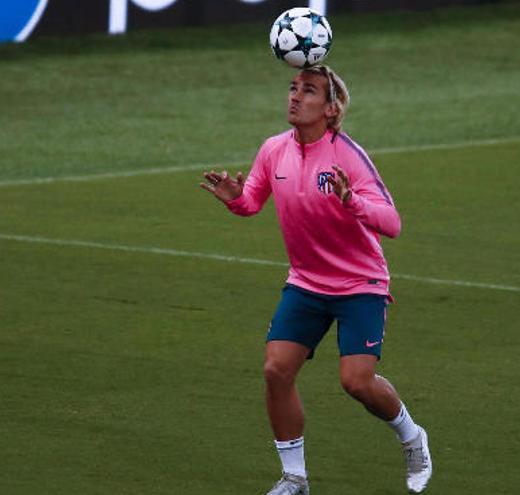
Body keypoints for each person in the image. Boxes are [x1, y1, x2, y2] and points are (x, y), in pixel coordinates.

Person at [200, 65, 432, 494]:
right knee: (276, 370)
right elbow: (253, 200)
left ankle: (412, 436)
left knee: (356, 382)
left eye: (308, 91)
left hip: (360, 283)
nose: (294, 96)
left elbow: (393, 222)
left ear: (330, 109)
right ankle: (295, 479)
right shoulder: (273, 150)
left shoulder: (348, 155)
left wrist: (352, 202)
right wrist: (235, 199)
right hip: (306, 282)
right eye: (293, 88)